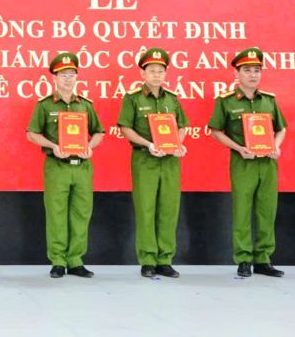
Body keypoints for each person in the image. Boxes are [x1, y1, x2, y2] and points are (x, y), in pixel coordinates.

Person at [209, 47, 287, 278]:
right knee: (242, 210)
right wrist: (238, 148)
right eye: (247, 70)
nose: (253, 75)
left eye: (256, 70)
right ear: (237, 74)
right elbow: (215, 130)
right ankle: (243, 259)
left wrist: (276, 145)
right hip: (243, 162)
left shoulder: (269, 101)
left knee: (267, 210)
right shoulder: (226, 101)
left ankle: (263, 258)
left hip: (268, 163)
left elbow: (281, 129)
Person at [26, 52, 104, 279]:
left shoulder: (85, 105)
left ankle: (76, 260)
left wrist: (91, 146)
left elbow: (99, 131)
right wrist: (52, 145)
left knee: (81, 213)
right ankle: (58, 260)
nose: (68, 79)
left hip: (82, 165)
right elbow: (32, 133)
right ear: (54, 77)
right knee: (56, 212)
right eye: (63, 75)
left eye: (72, 74)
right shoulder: (45, 105)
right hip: (57, 165)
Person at [116, 47, 189, 278]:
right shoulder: (133, 99)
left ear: (165, 74)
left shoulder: (172, 99)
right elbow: (125, 128)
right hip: (144, 159)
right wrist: (148, 144)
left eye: (160, 70)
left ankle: (165, 259)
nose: (156, 74)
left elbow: (183, 125)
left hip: (169, 161)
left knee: (169, 209)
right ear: (143, 74)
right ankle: (148, 259)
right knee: (146, 209)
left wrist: (177, 143)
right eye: (152, 70)